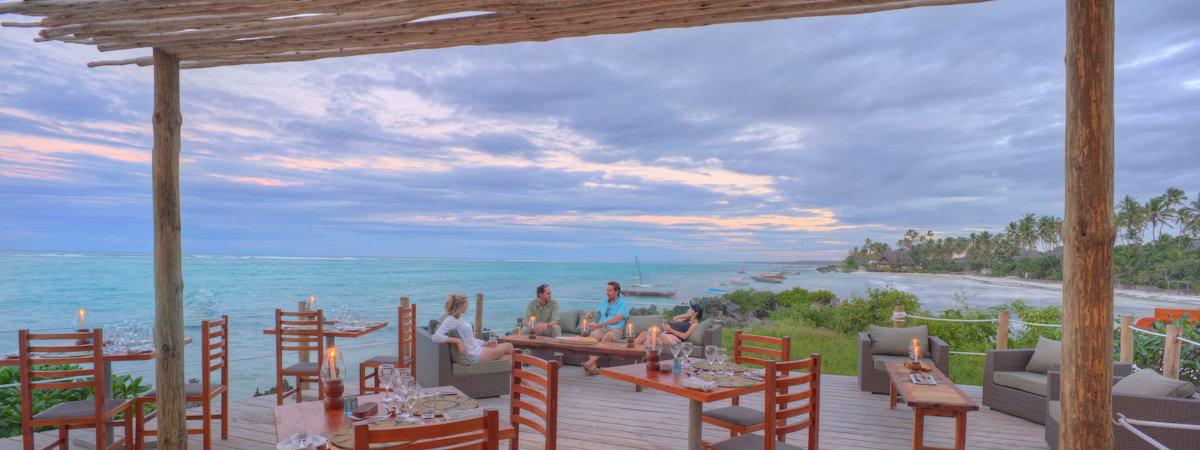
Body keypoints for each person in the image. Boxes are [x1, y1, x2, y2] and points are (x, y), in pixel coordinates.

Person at [432, 293, 513, 363]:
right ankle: (525, 377)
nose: (468, 306)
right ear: (460, 306)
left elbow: (470, 340)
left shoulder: (458, 319)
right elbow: (435, 337)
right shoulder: (450, 320)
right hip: (475, 355)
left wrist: (485, 343)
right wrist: (458, 341)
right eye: (466, 304)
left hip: (478, 349)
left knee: (508, 358)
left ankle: (522, 380)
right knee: (509, 346)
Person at [580, 281, 628, 375]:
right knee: (592, 338)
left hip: (615, 328)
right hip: (602, 328)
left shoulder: (623, 305)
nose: (607, 292)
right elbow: (598, 312)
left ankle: (589, 363)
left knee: (606, 338)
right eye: (607, 290)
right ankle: (593, 368)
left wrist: (598, 325)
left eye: (610, 290)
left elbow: (616, 320)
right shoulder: (604, 302)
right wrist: (589, 313)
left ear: (617, 291)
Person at [634, 303, 702, 347]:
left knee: (651, 336)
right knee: (644, 333)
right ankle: (632, 351)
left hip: (674, 339)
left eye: (690, 309)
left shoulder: (695, 324)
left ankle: (638, 354)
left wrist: (670, 330)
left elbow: (685, 336)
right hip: (666, 335)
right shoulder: (686, 320)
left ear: (695, 313)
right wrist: (686, 315)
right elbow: (675, 318)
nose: (688, 310)